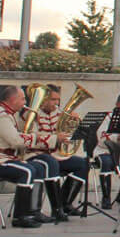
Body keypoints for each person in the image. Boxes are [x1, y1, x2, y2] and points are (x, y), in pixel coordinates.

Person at [0, 86, 69, 228]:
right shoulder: (1, 115)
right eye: (23, 99)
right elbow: (16, 141)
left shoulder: (9, 114)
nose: (25, 102)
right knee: (27, 171)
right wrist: (45, 139)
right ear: (13, 99)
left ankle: (34, 212)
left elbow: (22, 133)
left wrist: (31, 122)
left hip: (3, 158)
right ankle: (20, 217)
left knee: (39, 168)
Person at [35, 84, 91, 215]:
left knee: (83, 164)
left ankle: (66, 203)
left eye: (58, 100)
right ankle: (57, 209)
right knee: (52, 163)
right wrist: (56, 138)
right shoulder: (34, 114)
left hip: (56, 155)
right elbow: (33, 138)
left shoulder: (60, 114)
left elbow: (68, 137)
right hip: (38, 154)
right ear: (44, 99)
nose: (56, 103)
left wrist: (76, 126)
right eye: (53, 99)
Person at [95, 92, 120, 209]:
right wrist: (117, 137)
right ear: (117, 105)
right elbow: (101, 138)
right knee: (107, 162)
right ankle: (106, 198)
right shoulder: (107, 118)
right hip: (104, 151)